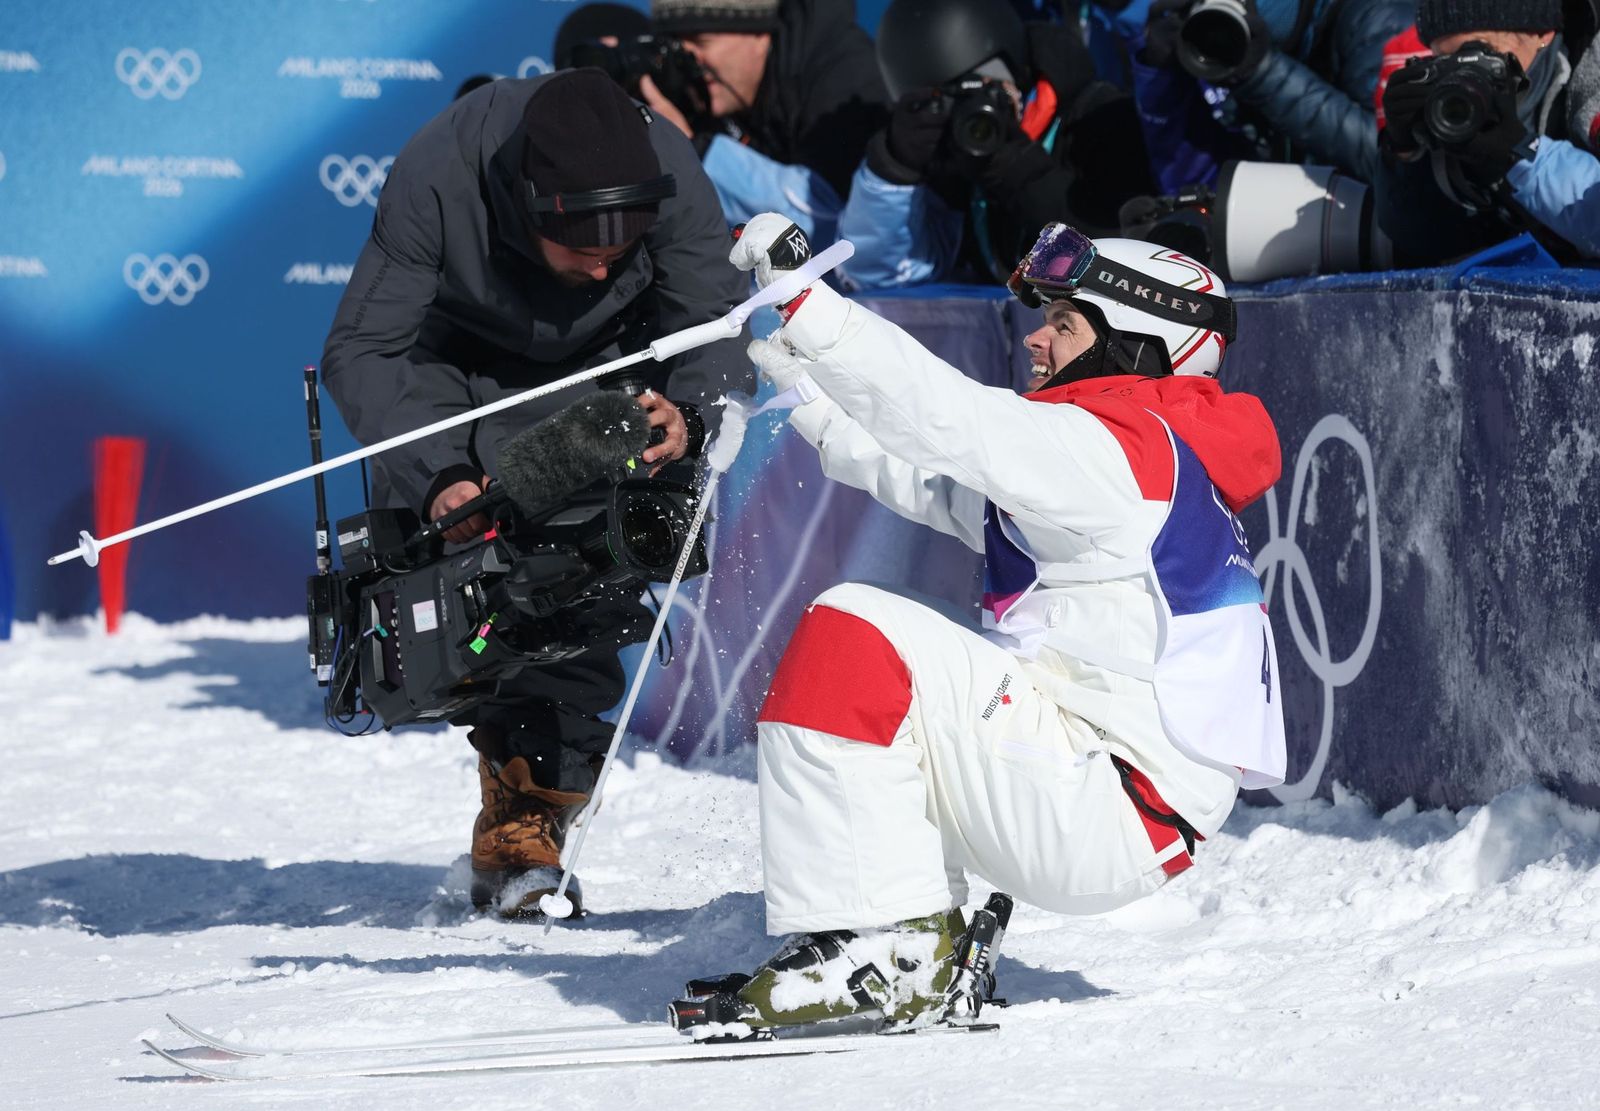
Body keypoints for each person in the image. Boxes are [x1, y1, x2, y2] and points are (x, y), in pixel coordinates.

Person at [694, 212, 1285, 1029]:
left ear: (1139, 344)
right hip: (1112, 802)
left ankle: (894, 945)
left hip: (1104, 802)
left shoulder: (1120, 449)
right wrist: (805, 399)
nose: (1036, 340)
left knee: (855, 631)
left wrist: (813, 310)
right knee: (903, 664)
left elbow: (952, 420)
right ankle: (912, 929)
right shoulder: (1132, 458)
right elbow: (934, 480)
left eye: (1064, 323)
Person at [321, 70, 751, 919]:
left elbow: (715, 322)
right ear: (530, 205)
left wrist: (693, 418)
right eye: (584, 249)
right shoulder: (436, 173)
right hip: (454, 371)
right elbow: (363, 350)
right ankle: (504, 768)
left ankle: (528, 823)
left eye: (619, 251)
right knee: (471, 614)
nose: (602, 268)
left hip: (607, 383)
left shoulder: (672, 175)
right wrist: (440, 474)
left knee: (569, 595)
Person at [837, 0, 1157, 289]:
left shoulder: (1100, 122)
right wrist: (894, 167)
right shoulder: (955, 158)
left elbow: (1118, 267)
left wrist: (1013, 165)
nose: (972, 119)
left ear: (1014, 70)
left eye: (982, 92)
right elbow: (882, 274)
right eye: (951, 103)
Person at [642, 0, 889, 240]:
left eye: (700, 43)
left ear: (760, 34)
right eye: (675, 46)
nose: (686, 62)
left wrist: (695, 151)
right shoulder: (700, 92)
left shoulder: (842, 79)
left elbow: (826, 226)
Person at [1377, 0, 1600, 263]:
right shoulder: (1448, 106)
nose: (1466, 71)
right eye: (1447, 59)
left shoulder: (1590, 80)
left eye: (1485, 52)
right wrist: (1404, 152)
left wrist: (1517, 152)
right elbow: (1422, 247)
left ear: (1541, 33)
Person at [1103, 0, 1412, 187]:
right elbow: (1191, 182)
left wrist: (1263, 74)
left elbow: (1395, 162)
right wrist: (1160, 75)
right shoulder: (1213, 38)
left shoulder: (1378, 16)